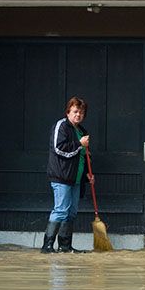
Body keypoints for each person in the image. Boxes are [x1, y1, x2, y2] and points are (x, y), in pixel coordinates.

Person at [41, 96, 94, 253]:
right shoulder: (62, 126)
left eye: (81, 112)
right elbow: (59, 148)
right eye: (75, 111)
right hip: (62, 176)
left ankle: (65, 246)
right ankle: (47, 246)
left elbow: (84, 157)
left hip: (76, 179)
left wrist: (87, 175)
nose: (78, 115)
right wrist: (79, 144)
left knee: (71, 212)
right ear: (68, 112)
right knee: (61, 210)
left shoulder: (82, 131)